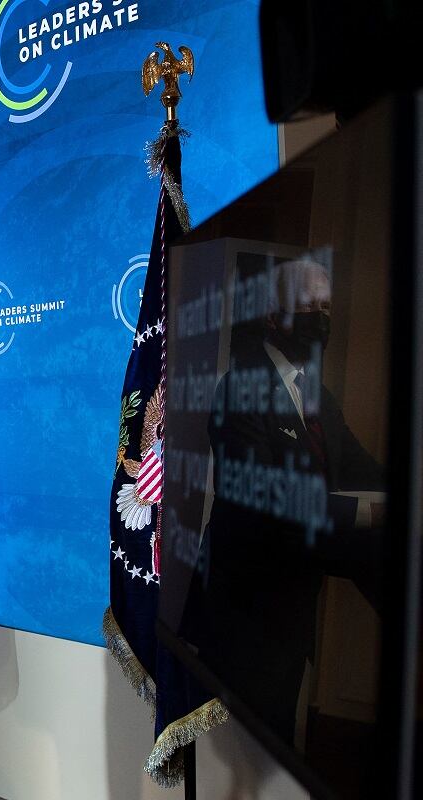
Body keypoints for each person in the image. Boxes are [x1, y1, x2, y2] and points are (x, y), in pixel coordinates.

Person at [196, 257, 383, 745]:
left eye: (326, 306)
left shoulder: (317, 394)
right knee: (243, 752)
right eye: (308, 306)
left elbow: (361, 467)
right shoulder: (240, 389)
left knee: (276, 743)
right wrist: (372, 513)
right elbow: (272, 499)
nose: (320, 318)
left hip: (294, 610)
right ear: (274, 315)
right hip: (246, 617)